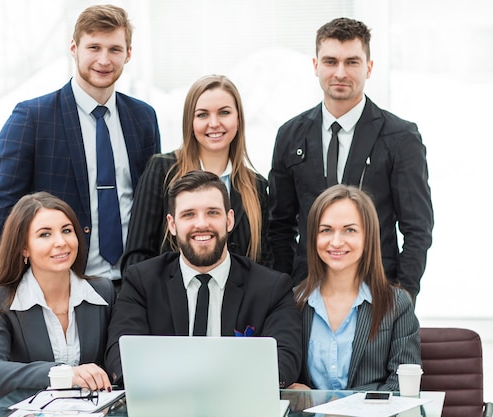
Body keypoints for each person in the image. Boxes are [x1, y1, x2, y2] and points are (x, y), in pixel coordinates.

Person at [0, 4, 161, 343]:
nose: (104, 59)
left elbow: (151, 207)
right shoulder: (32, 117)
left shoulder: (143, 118)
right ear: (74, 48)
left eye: (115, 49)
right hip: (62, 290)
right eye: (94, 48)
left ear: (128, 54)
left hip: (131, 289)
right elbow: (0, 212)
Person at [268, 17, 433, 301]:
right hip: (307, 295)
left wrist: (402, 298)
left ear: (369, 68)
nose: (340, 72)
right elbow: (279, 225)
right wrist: (286, 295)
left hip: (377, 294)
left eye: (352, 62)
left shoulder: (400, 137)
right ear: (315, 66)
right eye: (331, 61)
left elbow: (418, 228)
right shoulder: (290, 135)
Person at [106, 171, 302, 387]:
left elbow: (285, 361)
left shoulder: (271, 288)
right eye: (189, 214)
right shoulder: (141, 282)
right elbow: (121, 356)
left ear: (229, 220)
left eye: (212, 213)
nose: (201, 224)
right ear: (172, 224)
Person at [0, 191, 115, 407]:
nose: (61, 242)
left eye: (67, 231)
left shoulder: (103, 292)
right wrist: (62, 373)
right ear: (24, 248)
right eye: (45, 234)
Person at [121, 74, 272, 273]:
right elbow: (137, 256)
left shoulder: (256, 186)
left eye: (224, 112)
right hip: (169, 301)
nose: (214, 123)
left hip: (240, 302)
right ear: (190, 122)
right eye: (202, 115)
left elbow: (266, 263)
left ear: (238, 119)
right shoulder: (162, 171)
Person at [290, 185, 420, 391]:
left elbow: (401, 386)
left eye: (349, 230)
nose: (336, 241)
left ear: (368, 238)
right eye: (326, 230)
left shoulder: (396, 305)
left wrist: (335, 405)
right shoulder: (293, 302)